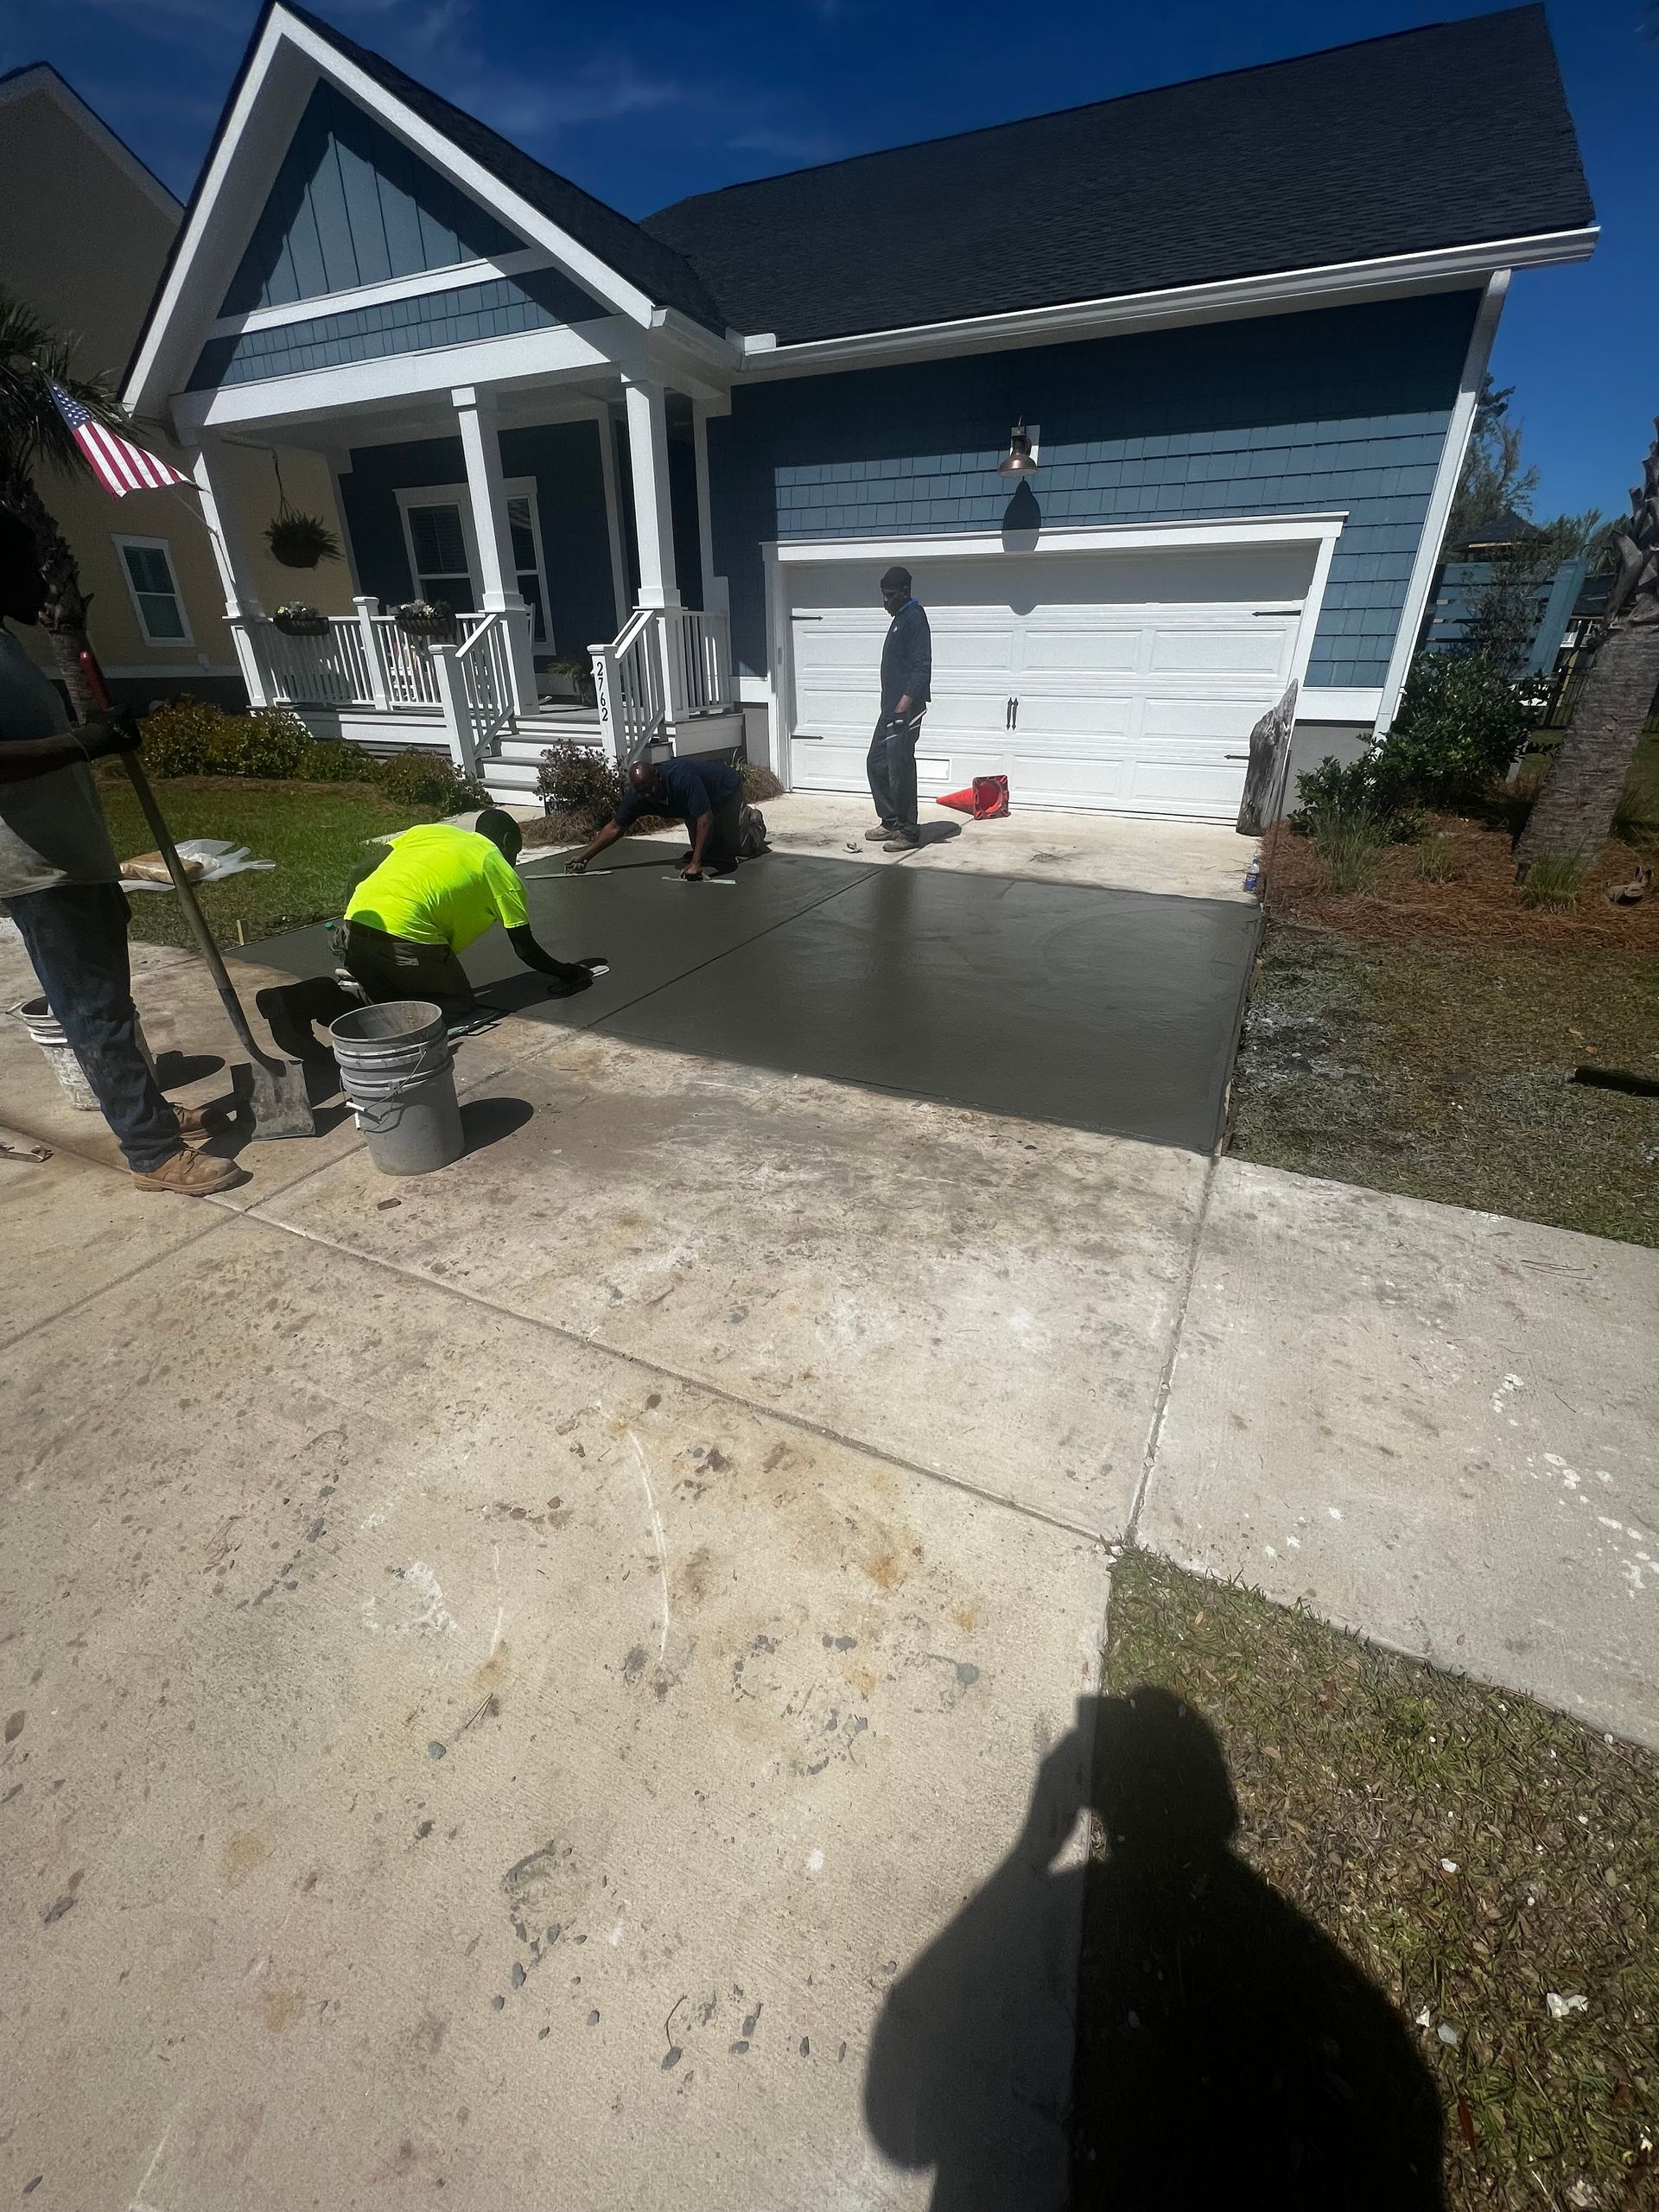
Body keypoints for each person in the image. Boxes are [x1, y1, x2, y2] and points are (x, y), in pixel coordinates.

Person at [0, 512, 239, 1196]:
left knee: (108, 1000)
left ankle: (149, 1115)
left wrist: (90, 731)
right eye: (22, 566)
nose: (41, 581)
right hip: (37, 869)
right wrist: (86, 744)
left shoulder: (9, 643)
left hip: (71, 856)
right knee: (92, 1010)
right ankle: (155, 1154)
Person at [255, 810, 602, 1058]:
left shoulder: (431, 832)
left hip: (359, 921)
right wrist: (570, 972)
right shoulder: (497, 866)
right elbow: (525, 948)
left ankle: (301, 999)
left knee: (382, 1002)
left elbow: (361, 868)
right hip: (409, 938)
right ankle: (397, 1040)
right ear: (509, 841)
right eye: (516, 851)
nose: (514, 858)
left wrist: (351, 917)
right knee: (455, 1004)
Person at [568, 755, 746, 880]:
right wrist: (585, 857)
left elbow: (705, 819)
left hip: (725, 790)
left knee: (739, 849)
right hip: (695, 807)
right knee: (710, 850)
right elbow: (615, 827)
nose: (647, 796)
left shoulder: (682, 779)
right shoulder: (638, 795)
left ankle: (752, 821)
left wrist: (696, 863)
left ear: (658, 778)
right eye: (641, 792)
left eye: (650, 789)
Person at [867, 563, 931, 853]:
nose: (884, 601)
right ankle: (890, 820)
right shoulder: (899, 618)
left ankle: (909, 831)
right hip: (890, 710)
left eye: (889, 595)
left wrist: (904, 703)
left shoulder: (914, 618)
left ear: (904, 592)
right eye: (882, 595)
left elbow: (922, 668)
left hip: (906, 710)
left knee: (900, 769)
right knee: (877, 762)